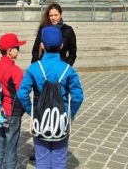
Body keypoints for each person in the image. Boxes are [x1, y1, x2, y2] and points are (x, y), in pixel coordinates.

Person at [17, 26, 84, 169]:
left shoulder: (34, 68)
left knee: (41, 160)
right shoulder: (68, 69)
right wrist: (69, 114)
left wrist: (32, 111)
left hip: (40, 118)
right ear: (61, 46)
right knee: (59, 160)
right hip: (61, 119)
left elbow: (22, 93)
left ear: (42, 45)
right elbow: (78, 97)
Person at [0, 33, 26, 169]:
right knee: (11, 149)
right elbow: (21, 93)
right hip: (11, 112)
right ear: (9, 51)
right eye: (17, 47)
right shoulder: (16, 70)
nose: (19, 50)